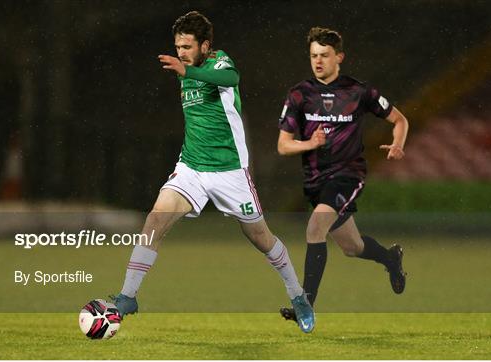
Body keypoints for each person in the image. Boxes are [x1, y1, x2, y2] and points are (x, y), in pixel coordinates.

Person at [110, 11, 314, 333]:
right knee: (155, 219)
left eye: (187, 46)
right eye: (178, 46)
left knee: (261, 238)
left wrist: (189, 69)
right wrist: (186, 68)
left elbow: (231, 79)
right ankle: (128, 296)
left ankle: (298, 296)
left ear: (205, 46)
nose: (181, 52)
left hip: (230, 171)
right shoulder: (184, 68)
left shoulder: (219, 62)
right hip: (191, 167)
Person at [277, 27, 409, 322]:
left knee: (314, 228)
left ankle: (305, 304)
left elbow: (399, 119)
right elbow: (283, 146)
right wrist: (310, 143)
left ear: (340, 57)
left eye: (324, 55)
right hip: (315, 181)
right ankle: (390, 258)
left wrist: (398, 144)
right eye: (313, 56)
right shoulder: (299, 94)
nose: (318, 61)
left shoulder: (359, 91)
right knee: (352, 247)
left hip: (348, 176)